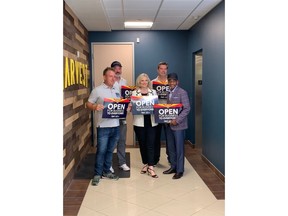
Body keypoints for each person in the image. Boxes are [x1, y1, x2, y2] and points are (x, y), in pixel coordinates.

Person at [86, 67, 120, 186]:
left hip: (115, 126)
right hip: (103, 126)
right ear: (104, 77)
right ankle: (97, 174)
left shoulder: (117, 89)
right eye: (110, 76)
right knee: (101, 151)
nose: (113, 78)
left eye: (114, 76)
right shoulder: (97, 90)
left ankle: (107, 171)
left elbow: (119, 105)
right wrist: (95, 107)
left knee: (110, 151)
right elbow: (88, 103)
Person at [128, 73, 159, 178]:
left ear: (148, 82)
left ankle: (151, 167)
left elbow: (157, 106)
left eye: (146, 80)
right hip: (139, 123)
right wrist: (129, 107)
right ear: (139, 82)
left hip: (151, 122)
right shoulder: (134, 93)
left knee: (150, 144)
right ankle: (145, 163)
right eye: (142, 81)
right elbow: (131, 108)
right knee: (142, 144)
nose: (144, 82)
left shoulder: (153, 92)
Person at [163, 73, 191, 179]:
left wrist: (177, 120)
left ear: (177, 82)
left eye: (173, 81)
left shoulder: (182, 92)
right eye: (170, 81)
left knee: (179, 149)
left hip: (179, 125)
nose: (171, 83)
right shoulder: (167, 92)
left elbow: (187, 108)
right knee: (170, 148)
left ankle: (180, 170)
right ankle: (173, 167)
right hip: (169, 125)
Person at [110, 61, 130, 172]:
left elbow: (127, 97)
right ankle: (108, 164)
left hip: (122, 115)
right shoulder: (109, 81)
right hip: (111, 116)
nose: (118, 70)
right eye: (115, 68)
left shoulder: (124, 81)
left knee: (122, 140)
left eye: (119, 68)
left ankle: (122, 163)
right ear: (112, 69)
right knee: (112, 140)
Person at [152, 62, 170, 165]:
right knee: (155, 137)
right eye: (161, 69)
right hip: (156, 113)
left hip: (168, 113)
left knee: (169, 137)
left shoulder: (171, 82)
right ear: (158, 70)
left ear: (167, 70)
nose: (163, 70)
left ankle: (170, 158)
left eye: (165, 69)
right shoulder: (152, 82)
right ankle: (155, 159)